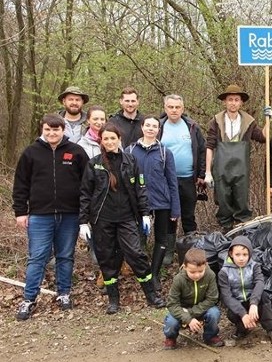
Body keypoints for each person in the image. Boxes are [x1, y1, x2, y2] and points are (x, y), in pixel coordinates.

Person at [79, 123, 165, 314]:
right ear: (101, 140)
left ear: (120, 139)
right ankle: (113, 300)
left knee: (136, 255)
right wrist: (83, 221)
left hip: (127, 218)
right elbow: (85, 194)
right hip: (103, 219)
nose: (109, 142)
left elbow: (140, 190)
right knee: (107, 259)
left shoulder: (131, 161)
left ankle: (152, 296)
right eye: (106, 138)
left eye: (113, 138)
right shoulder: (94, 164)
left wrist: (144, 214)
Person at [12, 114, 89, 320]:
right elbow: (21, 185)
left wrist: (84, 215)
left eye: (56, 129)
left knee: (65, 256)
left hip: (70, 215)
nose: (52, 133)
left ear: (63, 130)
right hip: (39, 215)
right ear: (42, 130)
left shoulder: (76, 152)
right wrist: (21, 212)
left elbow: (87, 185)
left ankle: (63, 293)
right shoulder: (31, 153)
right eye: (48, 129)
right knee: (37, 257)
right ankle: (29, 298)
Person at [204, 84, 269, 230]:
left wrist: (268, 120)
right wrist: (208, 172)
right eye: (230, 99)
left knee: (241, 201)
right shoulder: (216, 121)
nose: (233, 103)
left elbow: (263, 137)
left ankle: (242, 234)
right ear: (225, 102)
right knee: (223, 201)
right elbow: (209, 146)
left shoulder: (248, 121)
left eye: (236, 100)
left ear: (241, 102)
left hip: (241, 170)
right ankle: (226, 231)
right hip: (221, 169)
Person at [127, 115, 180, 291]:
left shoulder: (165, 152)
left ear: (159, 130)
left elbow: (172, 182)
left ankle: (155, 274)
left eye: (154, 126)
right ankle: (143, 273)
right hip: (138, 203)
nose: (150, 128)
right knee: (137, 239)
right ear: (142, 127)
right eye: (147, 125)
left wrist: (175, 209)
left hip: (162, 202)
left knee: (161, 239)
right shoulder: (130, 150)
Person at [217, 235, 272, 344]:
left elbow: (259, 282)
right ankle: (242, 329)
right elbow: (227, 296)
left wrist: (254, 303)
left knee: (264, 296)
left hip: (253, 300)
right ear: (231, 254)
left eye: (245, 254)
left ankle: (271, 329)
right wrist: (243, 313)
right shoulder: (224, 272)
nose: (241, 258)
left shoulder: (255, 266)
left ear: (250, 254)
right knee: (232, 313)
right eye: (237, 254)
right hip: (238, 303)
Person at [159, 94, 206, 237]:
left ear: (182, 108)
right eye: (171, 107)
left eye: (177, 107)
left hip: (188, 178)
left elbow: (202, 150)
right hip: (166, 179)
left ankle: (190, 243)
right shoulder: (158, 126)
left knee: (188, 214)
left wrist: (201, 174)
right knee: (169, 214)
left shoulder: (192, 126)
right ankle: (168, 248)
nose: (174, 110)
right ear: (165, 108)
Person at [162, 248, 222, 350]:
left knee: (214, 313)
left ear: (205, 265)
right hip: (182, 310)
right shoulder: (178, 279)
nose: (197, 275)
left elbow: (212, 299)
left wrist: (191, 313)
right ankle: (171, 338)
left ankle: (210, 336)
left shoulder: (210, 275)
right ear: (185, 267)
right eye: (192, 272)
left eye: (200, 271)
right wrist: (188, 318)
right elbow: (172, 304)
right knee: (171, 322)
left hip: (202, 308)